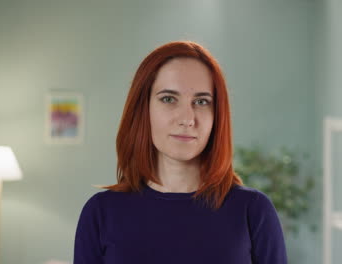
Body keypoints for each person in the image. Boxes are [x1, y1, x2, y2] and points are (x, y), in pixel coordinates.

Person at [73, 40, 288, 264]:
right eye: (168, 99)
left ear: (217, 116)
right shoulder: (100, 213)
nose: (187, 119)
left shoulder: (253, 211)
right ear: (142, 109)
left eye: (202, 101)